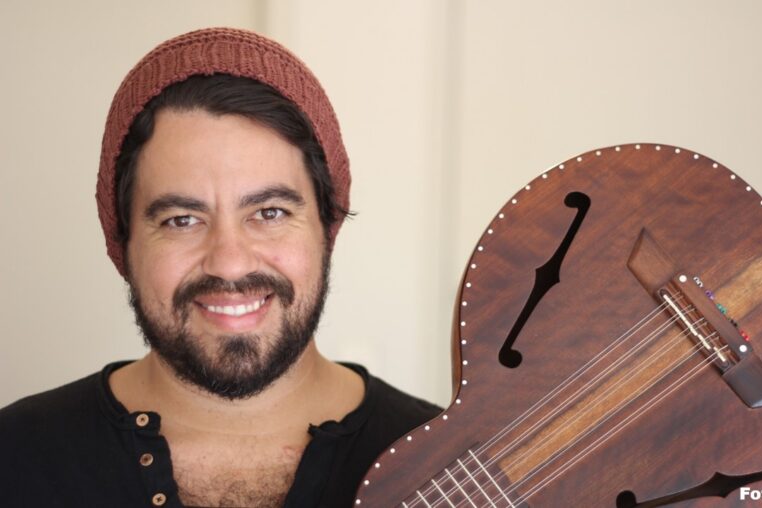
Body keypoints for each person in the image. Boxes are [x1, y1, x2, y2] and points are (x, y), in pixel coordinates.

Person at [0, 27, 440, 508]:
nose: (229, 264)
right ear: (122, 241)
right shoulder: (16, 456)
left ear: (326, 225)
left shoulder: (447, 464)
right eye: (182, 220)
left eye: (269, 212)